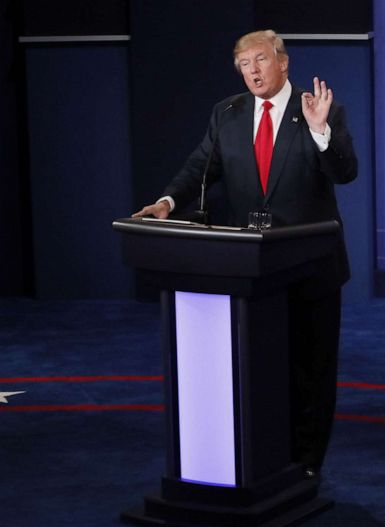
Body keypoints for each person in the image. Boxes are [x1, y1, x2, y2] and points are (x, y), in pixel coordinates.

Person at [133, 29, 358, 478]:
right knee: (261, 371)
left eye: (260, 60)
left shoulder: (317, 111)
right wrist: (167, 203)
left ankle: (308, 464)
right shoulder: (228, 114)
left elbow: (345, 172)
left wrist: (320, 132)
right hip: (250, 269)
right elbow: (201, 167)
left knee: (310, 372)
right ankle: (265, 457)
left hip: (310, 267)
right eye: (244, 64)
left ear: (283, 61)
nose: (252, 71)